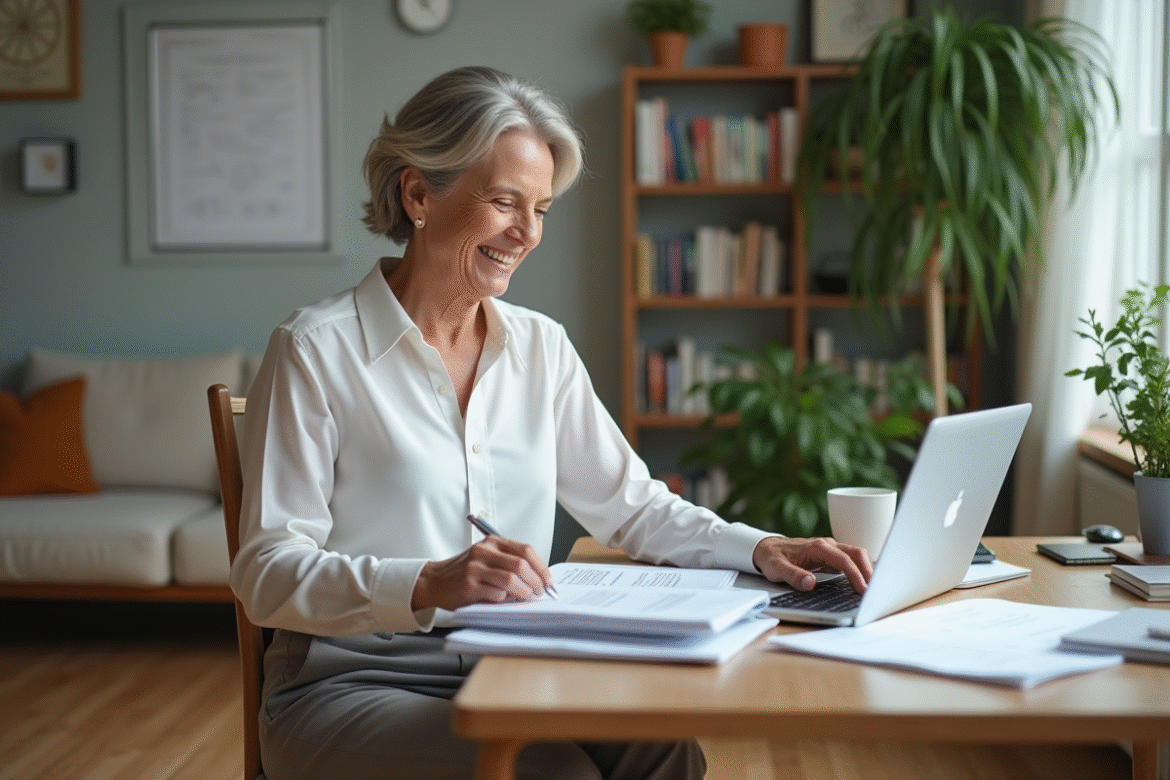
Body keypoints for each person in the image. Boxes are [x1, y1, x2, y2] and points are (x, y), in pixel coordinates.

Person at [231, 65, 872, 780]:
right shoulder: (316, 350)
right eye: (505, 201)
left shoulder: (540, 347)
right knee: (552, 772)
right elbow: (264, 573)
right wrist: (428, 583)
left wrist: (763, 550)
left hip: (512, 666)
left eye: (540, 209)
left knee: (665, 749)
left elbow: (633, 507)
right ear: (418, 194)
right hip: (347, 686)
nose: (526, 233)